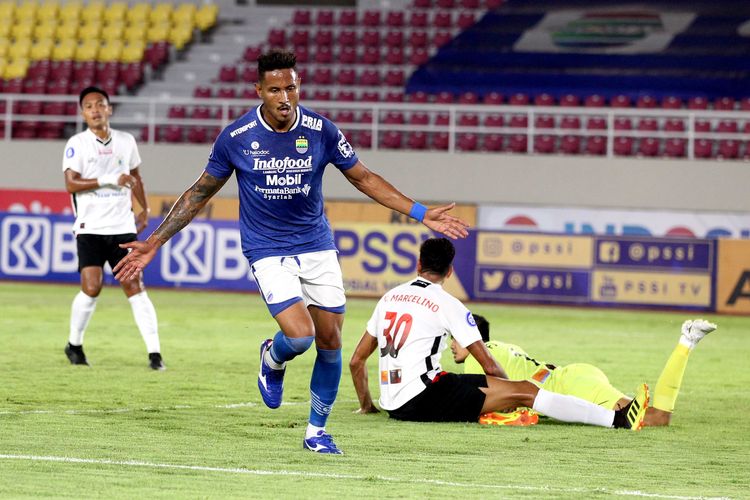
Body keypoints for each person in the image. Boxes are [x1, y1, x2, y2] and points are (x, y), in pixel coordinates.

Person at [112, 49, 470, 454]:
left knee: (331, 342)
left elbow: (364, 178)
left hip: (316, 244)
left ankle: (316, 432)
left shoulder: (321, 130)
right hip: (267, 249)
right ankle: (272, 356)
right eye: (275, 89)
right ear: (259, 91)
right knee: (300, 337)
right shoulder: (236, 138)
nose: (285, 97)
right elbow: (199, 193)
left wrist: (420, 212)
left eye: (291, 87)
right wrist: (155, 241)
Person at [349, 237, 649, 430]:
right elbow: (489, 365)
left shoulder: (389, 297)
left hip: (393, 402)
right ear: (450, 271)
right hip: (424, 396)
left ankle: (494, 409)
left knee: (478, 390)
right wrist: (514, 394)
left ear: (418, 265)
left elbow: (356, 361)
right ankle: (617, 419)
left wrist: (368, 406)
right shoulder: (447, 303)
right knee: (527, 390)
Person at [452, 314, 717, 427]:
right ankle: (687, 342)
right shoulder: (505, 346)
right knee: (654, 417)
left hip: (571, 388)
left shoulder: (479, 356)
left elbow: (493, 403)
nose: (451, 345)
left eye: (454, 337)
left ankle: (687, 341)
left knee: (655, 420)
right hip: (574, 377)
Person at [62, 86, 164, 371]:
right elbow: (71, 183)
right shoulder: (77, 144)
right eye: (89, 106)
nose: (95, 110)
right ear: (83, 113)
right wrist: (108, 178)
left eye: (100, 104)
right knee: (91, 287)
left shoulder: (126, 141)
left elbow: (135, 177)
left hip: (122, 226)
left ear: (109, 109)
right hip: (90, 227)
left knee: (135, 285)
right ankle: (74, 344)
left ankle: (155, 354)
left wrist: (143, 207)